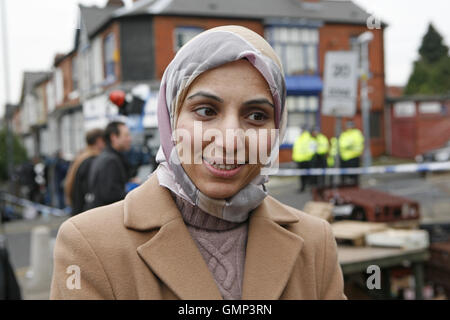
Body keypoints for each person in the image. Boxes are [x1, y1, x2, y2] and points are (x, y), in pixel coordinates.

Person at [50, 26, 346, 300]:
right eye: (206, 111)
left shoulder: (315, 243)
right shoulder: (89, 246)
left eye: (256, 116)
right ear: (171, 117)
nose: (230, 141)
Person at [84, 121, 132, 210]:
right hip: (106, 217)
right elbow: (111, 195)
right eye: (126, 135)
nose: (130, 139)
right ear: (114, 137)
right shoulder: (111, 161)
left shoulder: (103, 156)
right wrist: (134, 193)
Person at [64, 128, 105, 215]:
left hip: (77, 208)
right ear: (99, 141)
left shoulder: (81, 157)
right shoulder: (92, 160)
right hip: (83, 211)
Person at [339, 121, 364, 186]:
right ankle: (345, 186)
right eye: (348, 126)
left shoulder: (357, 133)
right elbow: (341, 144)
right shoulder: (344, 134)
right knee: (344, 175)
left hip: (354, 157)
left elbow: (358, 144)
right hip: (344, 157)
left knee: (354, 175)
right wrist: (349, 144)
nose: (349, 127)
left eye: (350, 126)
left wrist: (348, 145)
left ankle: (355, 186)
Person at [292, 126, 316, 192]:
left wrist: (309, 156)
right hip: (301, 160)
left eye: (302, 129)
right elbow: (296, 149)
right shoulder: (300, 138)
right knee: (303, 176)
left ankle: (309, 188)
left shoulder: (307, 138)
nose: (300, 130)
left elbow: (312, 148)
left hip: (306, 160)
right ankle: (304, 188)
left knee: (307, 175)